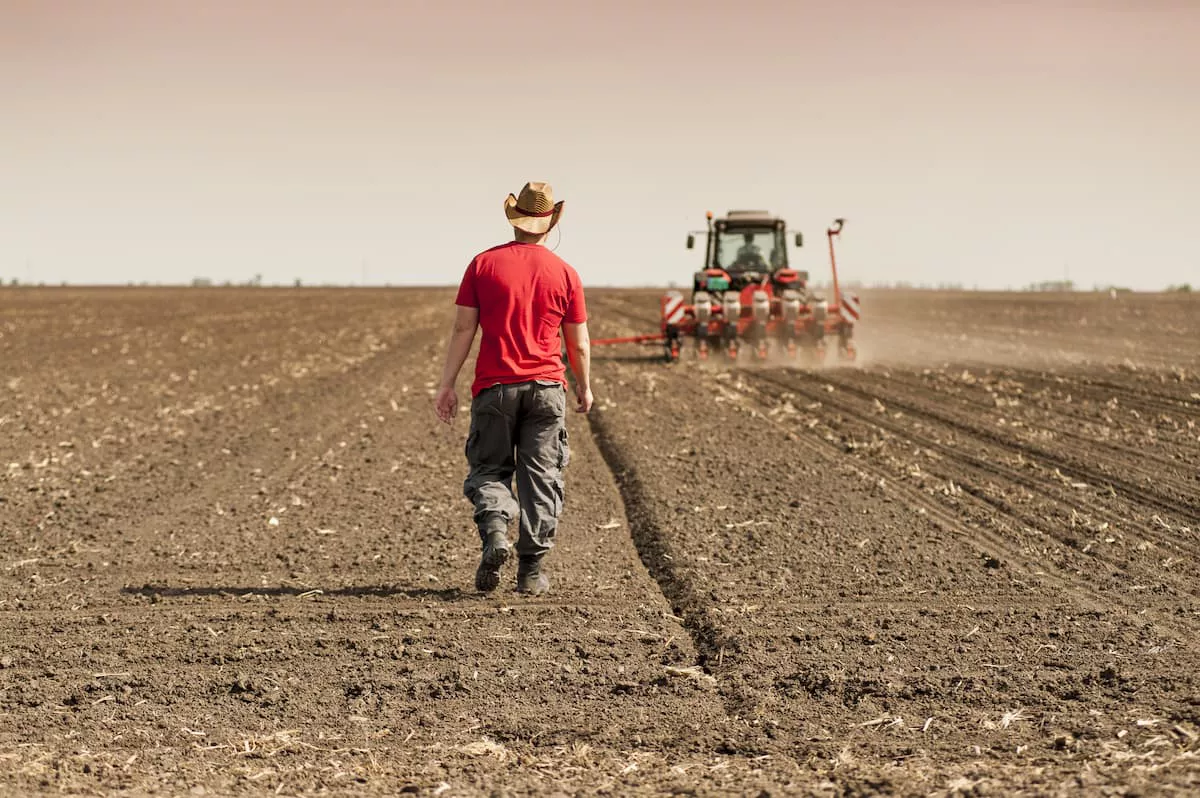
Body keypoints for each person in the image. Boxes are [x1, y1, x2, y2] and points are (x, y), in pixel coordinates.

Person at [434, 181, 593, 596]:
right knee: (541, 477)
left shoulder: (482, 265)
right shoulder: (565, 273)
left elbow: (462, 328)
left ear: (515, 218)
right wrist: (585, 387)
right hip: (546, 389)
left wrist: (446, 385)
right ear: (550, 222)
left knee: (489, 470)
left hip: (494, 387)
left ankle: (496, 531)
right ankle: (530, 572)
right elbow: (578, 341)